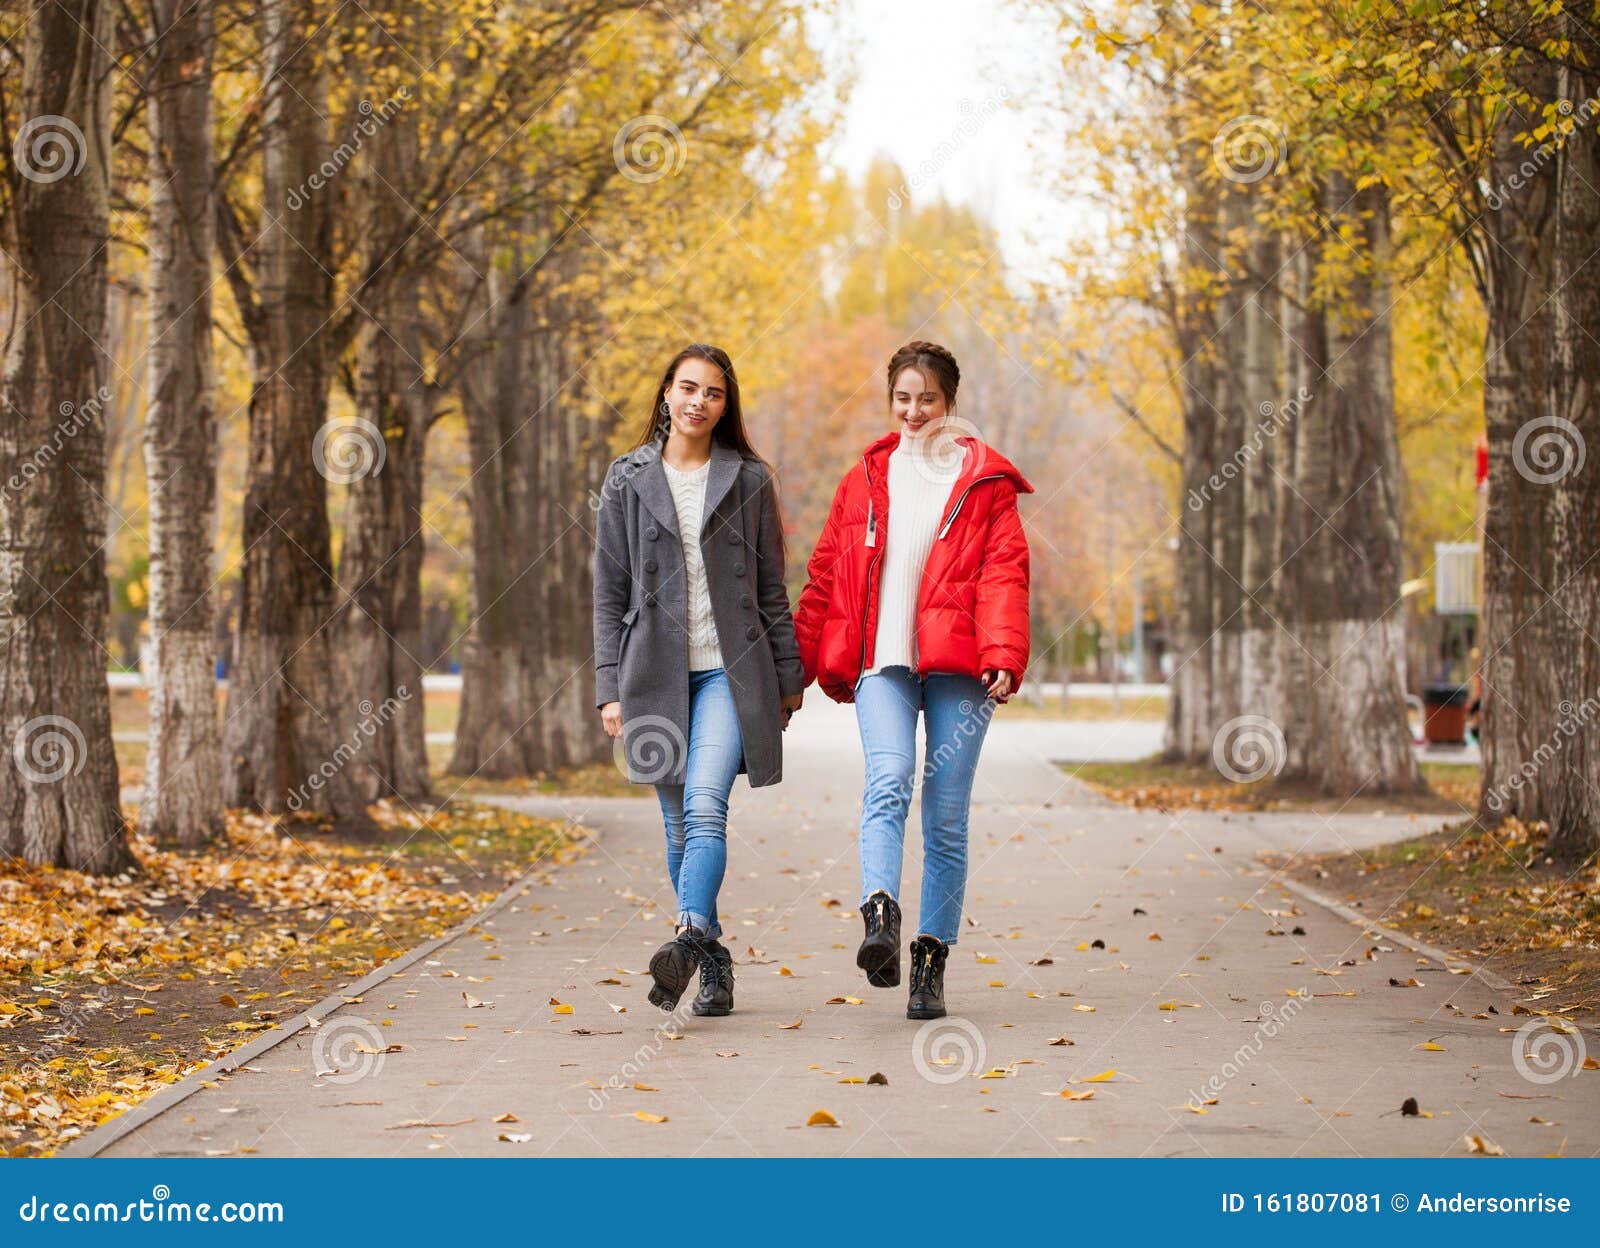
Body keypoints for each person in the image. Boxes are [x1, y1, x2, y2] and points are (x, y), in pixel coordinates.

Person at [794, 340, 1032, 1020]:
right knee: (888, 779)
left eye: (927, 397)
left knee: (947, 815)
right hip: (881, 663)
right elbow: (824, 580)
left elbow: (1004, 574)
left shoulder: (984, 483)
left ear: (949, 402)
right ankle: (880, 917)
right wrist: (794, 674)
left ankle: (930, 961)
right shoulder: (864, 481)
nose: (914, 410)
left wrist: (1004, 653)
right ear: (890, 399)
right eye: (903, 397)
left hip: (961, 667)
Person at [592, 344, 804, 1016]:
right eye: (687, 388)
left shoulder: (747, 479)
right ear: (665, 394)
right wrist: (608, 687)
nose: (697, 402)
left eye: (712, 393)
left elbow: (771, 586)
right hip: (652, 675)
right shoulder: (625, 479)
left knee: (707, 805)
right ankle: (713, 960)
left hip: (727, 672)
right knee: (678, 830)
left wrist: (789, 676)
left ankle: (685, 936)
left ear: (724, 405)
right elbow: (607, 590)